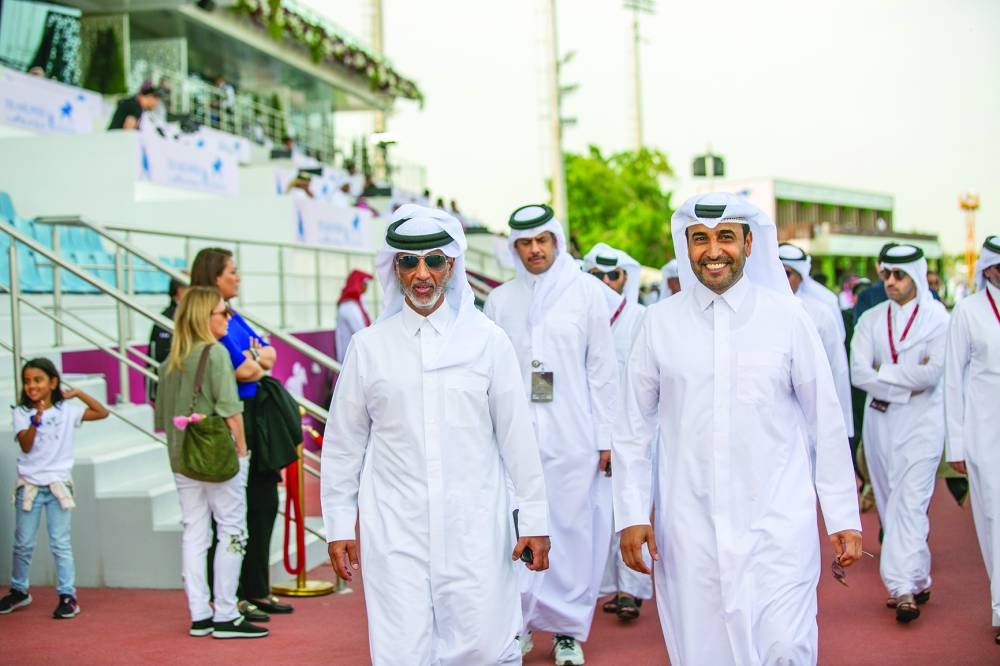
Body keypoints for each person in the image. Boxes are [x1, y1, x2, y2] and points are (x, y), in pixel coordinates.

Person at [613, 192, 862, 665]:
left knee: (786, 646)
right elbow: (633, 427)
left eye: (725, 237)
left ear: (749, 242)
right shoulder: (659, 323)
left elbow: (824, 421)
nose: (713, 251)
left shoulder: (788, 318)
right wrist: (631, 512)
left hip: (777, 523)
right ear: (684, 246)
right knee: (705, 650)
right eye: (699, 239)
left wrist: (843, 515)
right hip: (690, 525)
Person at [321, 205, 551, 665]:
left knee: (484, 646)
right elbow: (344, 446)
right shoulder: (369, 347)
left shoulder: (487, 341)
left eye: (434, 260)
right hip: (395, 531)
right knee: (400, 650)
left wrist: (535, 521)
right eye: (409, 261)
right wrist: (339, 525)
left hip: (475, 529)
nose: (421, 274)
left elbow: (517, 440)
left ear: (452, 265)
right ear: (395, 268)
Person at [484, 204, 618, 665]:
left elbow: (602, 371)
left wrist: (606, 438)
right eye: (524, 242)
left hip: (573, 434)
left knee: (573, 530)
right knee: (514, 529)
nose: (534, 250)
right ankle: (515, 624)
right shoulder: (501, 301)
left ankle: (565, 630)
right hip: (513, 439)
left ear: (557, 241)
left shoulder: (588, 294)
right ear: (513, 248)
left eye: (542, 240)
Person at [154, 287, 265, 638]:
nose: (228, 318)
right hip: (219, 455)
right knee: (233, 530)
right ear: (205, 317)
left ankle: (200, 612)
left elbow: (160, 418)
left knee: (194, 532)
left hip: (181, 456)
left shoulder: (168, 362)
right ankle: (227, 612)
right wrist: (243, 453)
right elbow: (232, 412)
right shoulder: (216, 354)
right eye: (222, 312)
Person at [190, 248, 293, 620]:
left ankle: (257, 589)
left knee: (264, 504)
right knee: (236, 512)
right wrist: (254, 360)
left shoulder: (233, 315)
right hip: (234, 418)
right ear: (214, 275)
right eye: (233, 271)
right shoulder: (209, 316)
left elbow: (267, 355)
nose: (238, 277)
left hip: (255, 417)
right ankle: (231, 598)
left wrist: (255, 359)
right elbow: (244, 369)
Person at [850, 243, 949, 622]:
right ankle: (918, 577)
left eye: (899, 275)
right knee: (893, 505)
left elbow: (932, 374)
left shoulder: (938, 319)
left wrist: (884, 371)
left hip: (923, 423)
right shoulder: (871, 319)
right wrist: (904, 379)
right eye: (886, 274)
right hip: (880, 422)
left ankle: (900, 588)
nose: (890, 281)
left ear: (917, 277)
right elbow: (859, 373)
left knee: (911, 501)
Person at [0, 359, 108, 618]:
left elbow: (102, 412)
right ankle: (19, 590)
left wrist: (79, 393)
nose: (31, 386)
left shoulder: (67, 411)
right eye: (27, 381)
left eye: (37, 380)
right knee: (23, 543)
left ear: (53, 382)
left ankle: (68, 596)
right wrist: (35, 421)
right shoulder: (21, 412)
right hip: (30, 486)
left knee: (60, 543)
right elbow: (26, 446)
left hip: (58, 485)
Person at [582, 242, 651, 622]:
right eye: (597, 275)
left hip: (635, 432)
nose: (606, 282)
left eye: (613, 275)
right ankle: (605, 585)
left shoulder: (641, 317)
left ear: (626, 278)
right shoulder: (582, 317)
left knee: (632, 508)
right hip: (590, 434)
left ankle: (631, 589)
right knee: (597, 513)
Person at [944, 235, 1000, 644]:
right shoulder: (967, 310)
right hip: (985, 430)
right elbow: (952, 382)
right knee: (995, 520)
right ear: (987, 268)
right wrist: (957, 445)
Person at [778, 243, 853, 442]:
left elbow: (838, 371)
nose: (779, 278)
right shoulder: (754, 312)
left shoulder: (821, 314)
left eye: (787, 273)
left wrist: (841, 430)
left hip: (810, 420)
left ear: (801, 278)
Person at [147, 277, 188, 403]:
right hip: (174, 391)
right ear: (181, 291)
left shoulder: (189, 315)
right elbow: (157, 358)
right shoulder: (165, 320)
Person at [335, 270, 373, 364]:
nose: (367, 287)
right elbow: (361, 331)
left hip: (358, 355)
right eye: (365, 283)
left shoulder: (358, 302)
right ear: (359, 284)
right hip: (351, 358)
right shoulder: (349, 306)